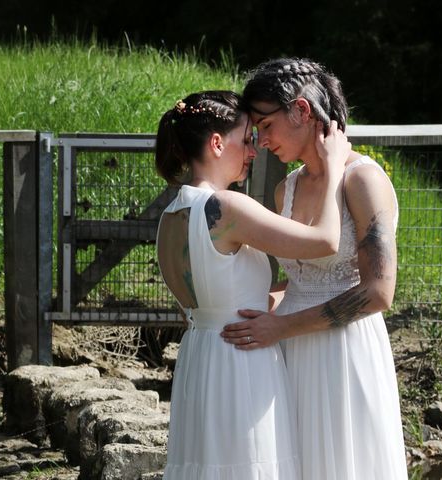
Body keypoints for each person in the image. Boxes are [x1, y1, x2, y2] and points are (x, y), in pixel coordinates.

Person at [220, 58, 408, 480]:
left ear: (301, 111)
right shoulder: (284, 189)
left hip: (344, 354)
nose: (261, 141)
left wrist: (281, 327)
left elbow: (379, 292)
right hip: (289, 352)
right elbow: (301, 280)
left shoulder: (363, 181)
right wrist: (252, 307)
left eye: (264, 125)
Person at [155, 90, 349, 479]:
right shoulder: (227, 208)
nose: (252, 151)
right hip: (241, 359)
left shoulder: (171, 214)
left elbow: (215, 294)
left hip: (200, 357)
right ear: (215, 143)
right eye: (246, 140)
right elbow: (327, 241)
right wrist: (334, 169)